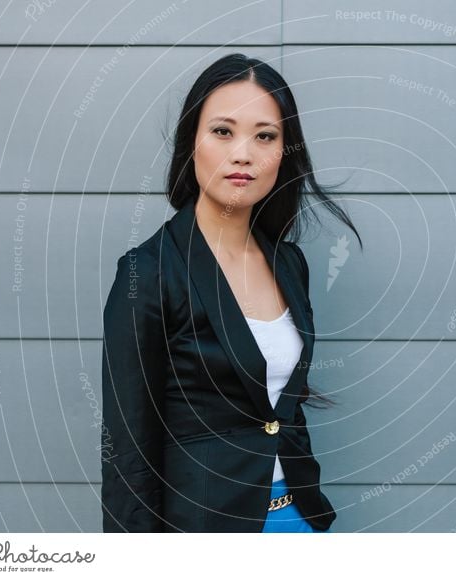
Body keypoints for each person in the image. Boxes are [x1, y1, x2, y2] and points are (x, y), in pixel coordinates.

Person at [100, 53, 362, 532]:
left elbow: (283, 405)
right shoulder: (149, 273)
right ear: (191, 143)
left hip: (298, 519)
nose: (243, 153)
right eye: (223, 131)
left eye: (265, 135)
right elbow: (127, 451)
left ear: (284, 153)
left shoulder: (288, 263)